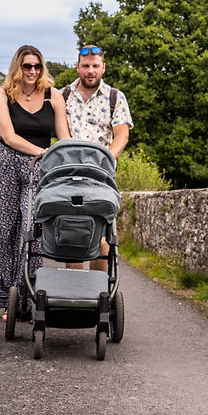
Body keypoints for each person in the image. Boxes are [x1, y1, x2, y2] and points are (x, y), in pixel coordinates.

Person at [0, 45, 70, 320]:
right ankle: (8, 299)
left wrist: (64, 157)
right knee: (7, 230)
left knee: (34, 230)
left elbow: (64, 137)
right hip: (6, 164)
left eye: (37, 66)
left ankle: (30, 296)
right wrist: (43, 152)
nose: (33, 71)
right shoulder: (2, 95)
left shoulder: (53, 96)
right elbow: (9, 137)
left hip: (39, 169)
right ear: (17, 67)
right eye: (27, 66)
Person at [61, 44, 133, 272]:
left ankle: (97, 293)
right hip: (68, 175)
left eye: (95, 66)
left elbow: (122, 135)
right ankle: (74, 294)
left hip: (100, 177)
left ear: (103, 68)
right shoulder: (62, 95)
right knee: (73, 235)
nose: (90, 71)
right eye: (85, 66)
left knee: (101, 236)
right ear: (77, 67)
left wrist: (104, 160)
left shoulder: (115, 97)